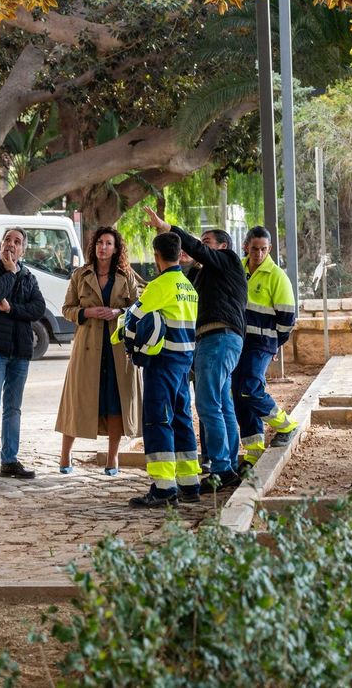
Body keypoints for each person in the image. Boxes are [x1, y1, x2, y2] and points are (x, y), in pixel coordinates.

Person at [145, 207, 247, 494]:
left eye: (208, 242)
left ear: (223, 246)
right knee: (221, 404)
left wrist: (167, 227)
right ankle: (226, 464)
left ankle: (221, 468)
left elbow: (196, 250)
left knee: (206, 405)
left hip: (219, 338)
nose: (202, 247)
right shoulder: (204, 276)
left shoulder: (228, 260)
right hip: (213, 341)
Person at [115, 231, 200, 506]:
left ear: (156, 256)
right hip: (184, 361)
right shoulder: (188, 286)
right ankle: (190, 483)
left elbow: (133, 316)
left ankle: (164, 488)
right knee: (181, 418)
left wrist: (123, 339)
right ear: (180, 254)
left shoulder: (160, 286)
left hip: (163, 362)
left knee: (157, 420)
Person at [55, 227, 142, 475]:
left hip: (116, 348)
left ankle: (112, 458)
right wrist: (87, 312)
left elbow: (138, 308)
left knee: (115, 403)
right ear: (94, 247)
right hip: (87, 349)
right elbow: (67, 308)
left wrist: (118, 312)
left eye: (108, 243)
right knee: (77, 402)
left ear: (116, 248)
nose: (103, 247)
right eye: (99, 243)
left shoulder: (127, 275)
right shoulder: (80, 275)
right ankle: (65, 455)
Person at [0, 228, 45, 485]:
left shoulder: (29, 276)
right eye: (8, 240)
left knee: (13, 409)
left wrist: (12, 308)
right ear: (1, 244)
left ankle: (9, 460)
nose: (12, 245)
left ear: (23, 249)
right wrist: (10, 272)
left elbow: (38, 308)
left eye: (18, 242)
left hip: (20, 351)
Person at [234, 227, 299, 470]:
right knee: (239, 394)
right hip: (239, 341)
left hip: (262, 343)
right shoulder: (238, 269)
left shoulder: (277, 276)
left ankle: (285, 425)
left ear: (269, 249)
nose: (259, 254)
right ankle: (253, 452)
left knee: (250, 389)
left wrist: (274, 344)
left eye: (263, 249)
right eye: (254, 249)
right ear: (246, 247)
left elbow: (287, 319)